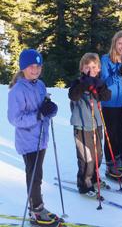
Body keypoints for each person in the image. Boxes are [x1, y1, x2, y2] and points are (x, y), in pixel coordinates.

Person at [8, 49, 60, 225]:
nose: (35, 70)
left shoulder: (40, 85)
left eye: (38, 66)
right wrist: (38, 115)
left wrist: (50, 108)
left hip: (41, 139)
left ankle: (37, 204)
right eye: (31, 66)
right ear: (23, 68)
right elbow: (15, 119)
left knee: (37, 174)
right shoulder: (17, 91)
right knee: (34, 176)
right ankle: (35, 210)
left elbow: (44, 108)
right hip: (28, 141)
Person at [68, 53, 111, 197]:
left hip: (97, 124)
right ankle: (84, 184)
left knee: (98, 154)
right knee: (87, 158)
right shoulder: (77, 83)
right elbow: (73, 95)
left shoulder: (99, 83)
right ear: (82, 68)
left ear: (99, 69)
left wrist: (101, 87)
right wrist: (84, 84)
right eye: (87, 67)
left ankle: (93, 178)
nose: (90, 70)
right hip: (82, 126)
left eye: (94, 67)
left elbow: (107, 96)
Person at [100, 31, 122, 177]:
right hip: (109, 103)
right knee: (111, 135)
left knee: (120, 134)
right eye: (120, 43)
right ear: (114, 43)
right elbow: (104, 82)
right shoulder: (105, 60)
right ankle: (110, 165)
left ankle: (118, 160)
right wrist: (118, 73)